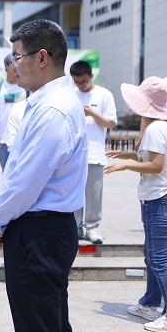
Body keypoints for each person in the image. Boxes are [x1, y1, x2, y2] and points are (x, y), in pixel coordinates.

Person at [0, 19, 88, 332]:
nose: (13, 65)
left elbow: (25, 184)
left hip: (38, 232)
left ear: (41, 57)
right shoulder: (44, 103)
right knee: (48, 320)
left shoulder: (52, 109)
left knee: (37, 323)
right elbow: (17, 170)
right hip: (41, 229)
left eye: (17, 57)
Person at [104, 76, 167, 331]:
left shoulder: (156, 129)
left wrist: (126, 165)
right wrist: (127, 154)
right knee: (152, 256)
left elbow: (156, 165)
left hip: (158, 199)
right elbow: (147, 154)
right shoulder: (155, 127)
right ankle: (150, 303)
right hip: (153, 199)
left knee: (158, 258)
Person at [70, 60, 117, 244]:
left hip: (95, 153)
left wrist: (92, 113)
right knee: (74, 193)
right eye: (76, 82)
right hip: (73, 154)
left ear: (91, 76)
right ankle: (75, 227)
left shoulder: (104, 95)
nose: (80, 85)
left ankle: (92, 227)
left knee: (94, 194)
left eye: (83, 81)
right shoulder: (71, 94)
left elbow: (111, 123)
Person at [0, 53, 28, 172]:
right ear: (6, 66)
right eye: (12, 63)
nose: (15, 67)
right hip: (4, 139)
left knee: (23, 173)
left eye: (17, 63)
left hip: (23, 138)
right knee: (7, 174)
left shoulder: (25, 86)